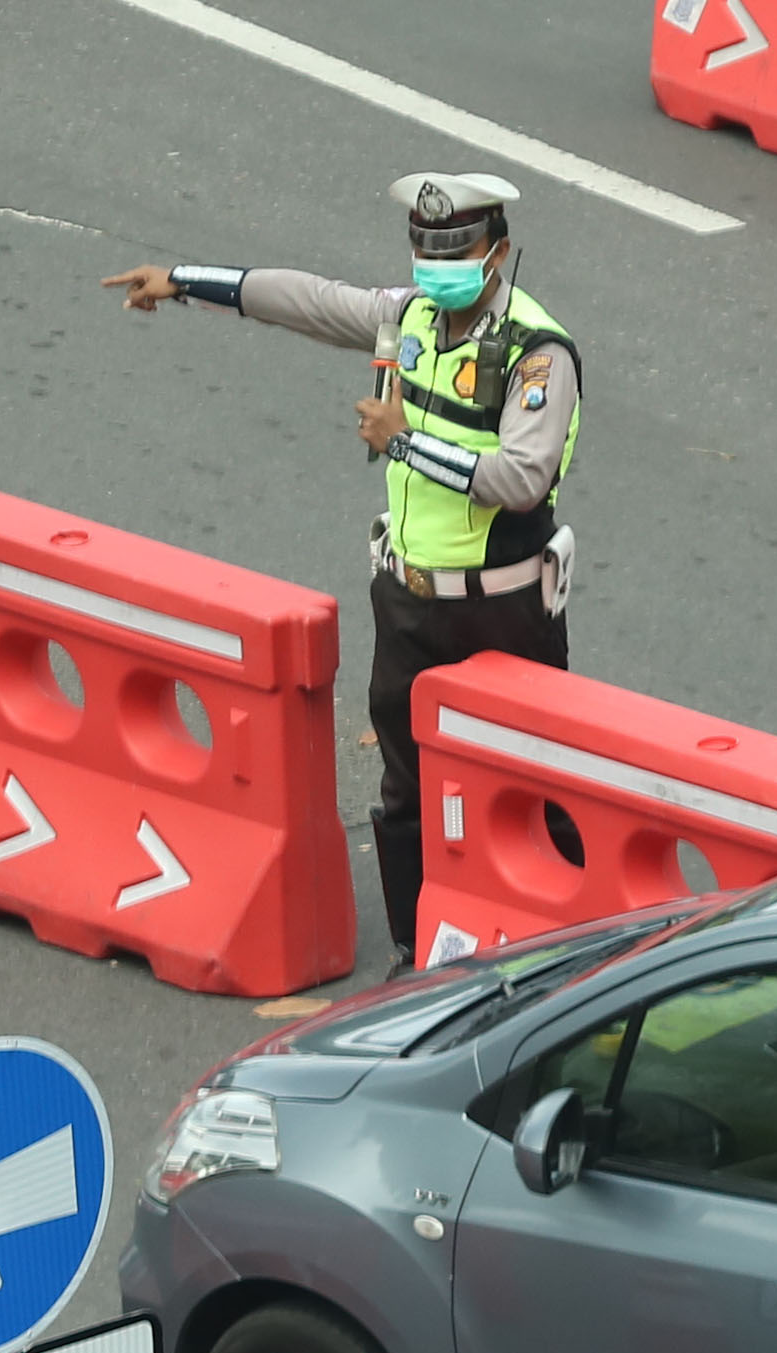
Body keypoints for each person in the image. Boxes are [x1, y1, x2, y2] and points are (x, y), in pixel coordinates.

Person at [105, 173, 581, 967]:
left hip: (504, 609)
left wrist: (404, 440)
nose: (437, 269)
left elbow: (523, 478)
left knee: (533, 789)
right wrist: (184, 281)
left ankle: (564, 954)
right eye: (425, 252)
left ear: (497, 252)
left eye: (455, 251)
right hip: (408, 603)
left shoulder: (538, 354)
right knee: (405, 789)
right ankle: (416, 950)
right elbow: (310, 301)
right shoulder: (411, 316)